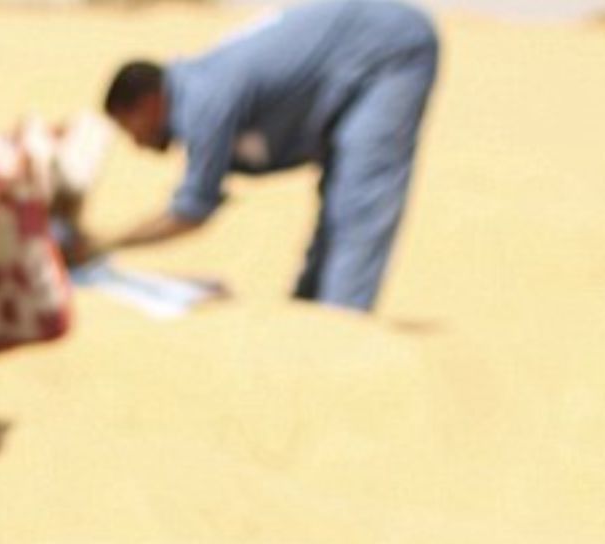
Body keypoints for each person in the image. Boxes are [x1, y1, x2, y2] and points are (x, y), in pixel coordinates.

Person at [76, 0, 440, 314]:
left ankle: (340, 326)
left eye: (131, 128)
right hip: (348, 64)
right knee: (339, 192)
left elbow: (190, 213)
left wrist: (101, 244)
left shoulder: (203, 100)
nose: (136, 143)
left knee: (358, 197)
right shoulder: (199, 87)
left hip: (389, 51)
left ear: (148, 104)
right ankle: (312, 312)